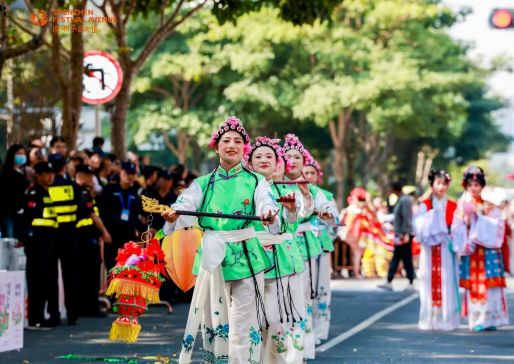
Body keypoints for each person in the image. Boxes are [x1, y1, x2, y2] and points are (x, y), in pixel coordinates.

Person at [162, 116, 280, 364]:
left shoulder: (256, 181)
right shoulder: (202, 183)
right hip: (212, 258)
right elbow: (185, 206)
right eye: (226, 140)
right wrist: (174, 214)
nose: (232, 145)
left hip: (247, 257)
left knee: (243, 323)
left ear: (244, 149)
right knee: (215, 322)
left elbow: (266, 201)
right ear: (216, 146)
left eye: (238, 141)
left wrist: (268, 212)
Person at [246, 137, 313, 364]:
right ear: (249, 163)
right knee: (249, 320)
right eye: (258, 156)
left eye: (269, 156)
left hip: (281, 258)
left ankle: (285, 359)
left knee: (277, 319)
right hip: (248, 257)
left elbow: (294, 222)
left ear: (277, 163)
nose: (264, 160)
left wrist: (297, 205)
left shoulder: (285, 188)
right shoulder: (243, 186)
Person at [281, 134, 335, 361]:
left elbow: (328, 209)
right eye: (287, 156)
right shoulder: (270, 183)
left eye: (297, 157)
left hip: (302, 248)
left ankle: (299, 352)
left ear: (305, 163)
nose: (292, 160)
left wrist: (326, 212)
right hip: (277, 247)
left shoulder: (312, 190)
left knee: (302, 301)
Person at [451, 165, 509, 331]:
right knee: (474, 284)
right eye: (470, 185)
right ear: (466, 187)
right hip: (472, 252)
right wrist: (468, 224)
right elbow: (455, 229)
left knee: (489, 284)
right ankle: (477, 318)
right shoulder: (461, 207)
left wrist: (480, 220)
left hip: (487, 252)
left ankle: (491, 319)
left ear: (482, 186)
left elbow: (498, 227)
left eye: (476, 185)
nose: (473, 188)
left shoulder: (489, 207)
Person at [413, 170, 460, 331]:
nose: (441, 187)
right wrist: (429, 221)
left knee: (447, 280)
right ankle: (430, 318)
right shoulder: (424, 205)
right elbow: (418, 225)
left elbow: (458, 226)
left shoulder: (453, 205)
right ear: (432, 184)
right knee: (428, 279)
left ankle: (447, 319)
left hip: (446, 246)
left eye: (444, 183)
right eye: (437, 183)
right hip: (429, 248)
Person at [302, 151, 338, 344]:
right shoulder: (293, 191)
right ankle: (304, 332)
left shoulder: (325, 196)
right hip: (300, 246)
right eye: (304, 172)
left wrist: (326, 224)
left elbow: (335, 222)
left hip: (320, 247)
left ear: (317, 176)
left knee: (320, 288)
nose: (308, 176)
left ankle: (320, 330)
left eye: (312, 173)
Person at [19, 161, 57, 330]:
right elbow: (26, 218)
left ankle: (41, 316)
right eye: (46, 173)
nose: (50, 176)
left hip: (48, 242)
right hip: (36, 242)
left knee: (45, 280)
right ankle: (35, 318)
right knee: (36, 281)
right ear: (38, 175)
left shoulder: (49, 193)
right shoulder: (33, 193)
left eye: (52, 173)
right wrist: (24, 237)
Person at [47, 153, 82, 325]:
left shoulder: (48, 186)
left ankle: (53, 314)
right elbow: (81, 210)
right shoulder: (73, 186)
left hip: (51, 236)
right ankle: (72, 314)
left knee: (51, 275)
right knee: (70, 275)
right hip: (69, 235)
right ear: (63, 167)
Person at [74, 164, 112, 317]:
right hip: (84, 238)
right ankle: (89, 307)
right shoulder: (81, 192)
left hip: (87, 237)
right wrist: (104, 231)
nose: (91, 179)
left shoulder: (86, 192)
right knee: (89, 273)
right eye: (88, 176)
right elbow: (92, 216)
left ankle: (88, 305)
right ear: (80, 176)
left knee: (89, 272)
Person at [101, 162, 141, 271]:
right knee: (112, 270)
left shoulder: (135, 192)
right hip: (112, 237)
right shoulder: (109, 190)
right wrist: (104, 232)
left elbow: (139, 215)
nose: (130, 176)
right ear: (120, 173)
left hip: (129, 238)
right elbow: (102, 213)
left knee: (128, 272)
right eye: (127, 173)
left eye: (133, 173)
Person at [378, 182, 415, 291]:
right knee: (400, 257)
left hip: (404, 234)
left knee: (404, 258)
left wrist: (406, 233)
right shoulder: (400, 199)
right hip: (400, 233)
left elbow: (407, 217)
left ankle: (408, 280)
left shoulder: (405, 200)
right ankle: (392, 280)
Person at [0, 145, 30, 238]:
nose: (22, 156)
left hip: (21, 214)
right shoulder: (5, 173)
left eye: (24, 154)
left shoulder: (24, 173)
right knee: (9, 240)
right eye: (19, 154)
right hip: (9, 214)